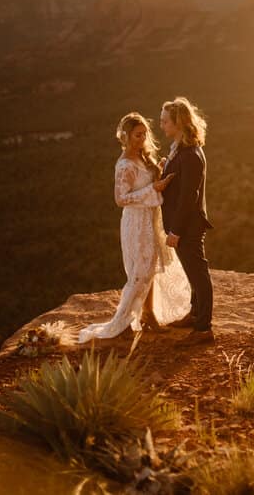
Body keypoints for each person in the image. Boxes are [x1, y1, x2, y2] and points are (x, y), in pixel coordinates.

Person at [77, 113, 192, 343]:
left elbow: (148, 183)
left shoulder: (143, 157)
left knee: (150, 269)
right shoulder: (124, 164)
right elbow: (121, 199)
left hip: (151, 219)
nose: (142, 139)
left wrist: (158, 172)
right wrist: (155, 189)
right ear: (126, 136)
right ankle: (125, 321)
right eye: (137, 135)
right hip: (135, 223)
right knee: (139, 272)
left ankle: (148, 315)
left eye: (144, 134)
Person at [159, 97, 215, 345]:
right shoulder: (180, 149)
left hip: (189, 226)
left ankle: (203, 328)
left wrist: (176, 230)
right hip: (184, 224)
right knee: (193, 274)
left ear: (178, 124)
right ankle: (194, 315)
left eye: (165, 121)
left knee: (199, 275)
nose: (161, 126)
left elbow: (187, 198)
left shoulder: (190, 154)